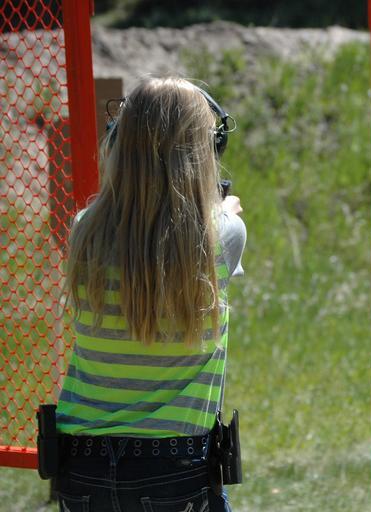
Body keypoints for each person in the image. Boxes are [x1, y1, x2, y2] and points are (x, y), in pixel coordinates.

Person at [52, 76, 246, 512]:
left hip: (81, 461)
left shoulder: (84, 229)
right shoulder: (225, 233)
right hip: (175, 462)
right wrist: (223, 209)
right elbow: (195, 231)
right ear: (205, 150)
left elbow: (135, 230)